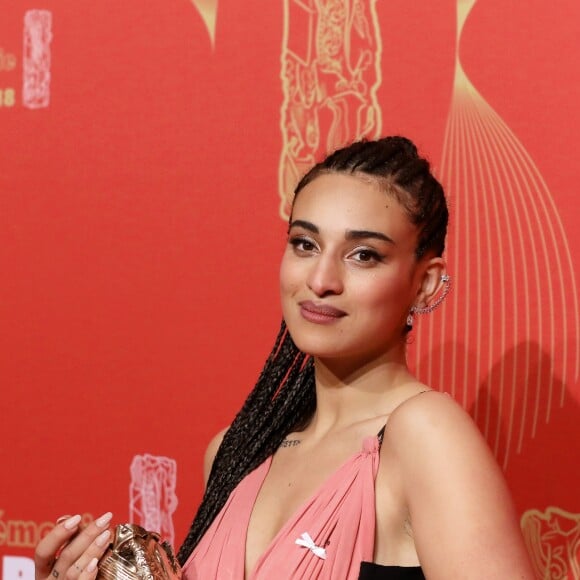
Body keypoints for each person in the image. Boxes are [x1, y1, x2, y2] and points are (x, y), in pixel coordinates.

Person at [35, 137, 535, 579]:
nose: (321, 280)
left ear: (423, 283)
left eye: (363, 255)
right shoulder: (235, 452)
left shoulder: (426, 435)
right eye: (304, 244)